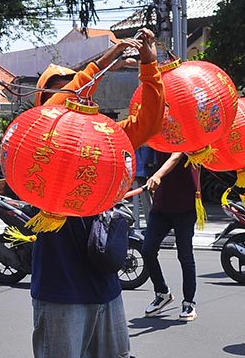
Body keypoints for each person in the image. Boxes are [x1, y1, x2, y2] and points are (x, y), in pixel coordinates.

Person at [29, 28, 164, 358]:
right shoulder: (35, 145)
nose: (77, 105)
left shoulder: (105, 143)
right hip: (61, 289)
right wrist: (103, 62)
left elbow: (150, 122)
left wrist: (149, 67)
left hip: (105, 287)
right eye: (68, 97)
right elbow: (59, 109)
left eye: (82, 98)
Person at [141, 151, 199, 322]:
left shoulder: (186, 135)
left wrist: (158, 174)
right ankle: (162, 293)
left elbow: (177, 155)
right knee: (147, 250)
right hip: (161, 205)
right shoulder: (160, 134)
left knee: (185, 256)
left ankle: (188, 303)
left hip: (185, 207)